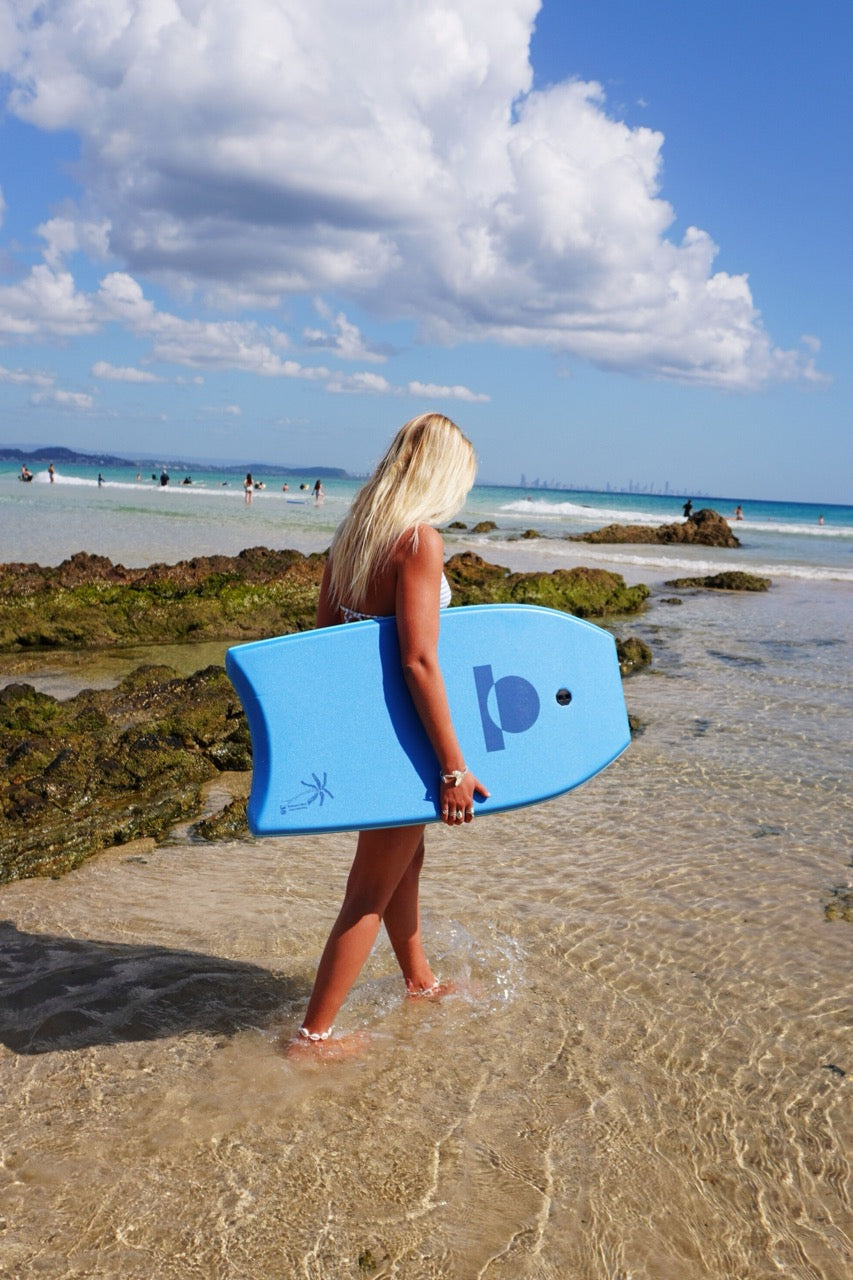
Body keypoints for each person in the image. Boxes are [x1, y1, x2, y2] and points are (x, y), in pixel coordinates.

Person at [292, 412, 489, 1053]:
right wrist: (454, 767)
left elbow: (326, 641)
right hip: (406, 741)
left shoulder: (354, 534)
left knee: (406, 860)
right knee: (369, 891)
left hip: (369, 731)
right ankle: (313, 1038)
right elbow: (420, 660)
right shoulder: (418, 542)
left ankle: (419, 980)